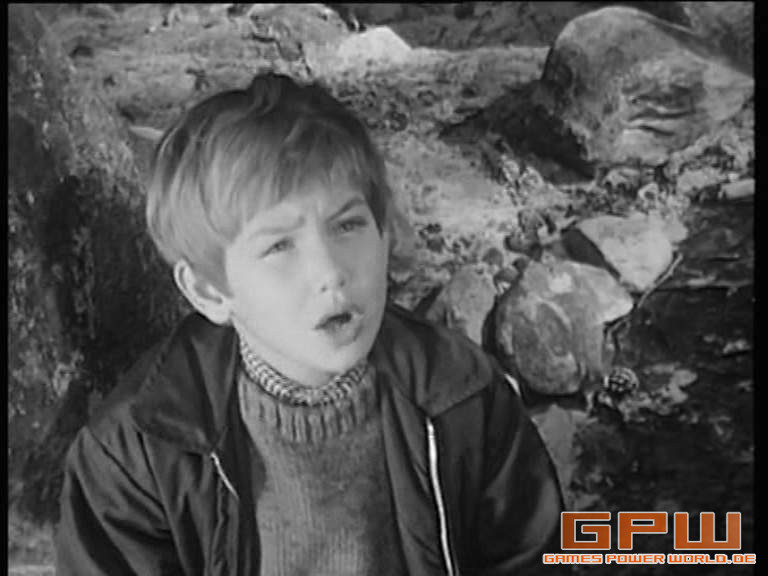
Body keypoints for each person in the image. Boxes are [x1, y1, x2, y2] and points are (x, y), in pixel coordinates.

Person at [55, 72, 563, 575]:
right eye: (279, 245)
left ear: (385, 235)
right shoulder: (137, 455)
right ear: (210, 291)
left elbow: (545, 553)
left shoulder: (462, 397)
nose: (330, 272)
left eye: (348, 225)